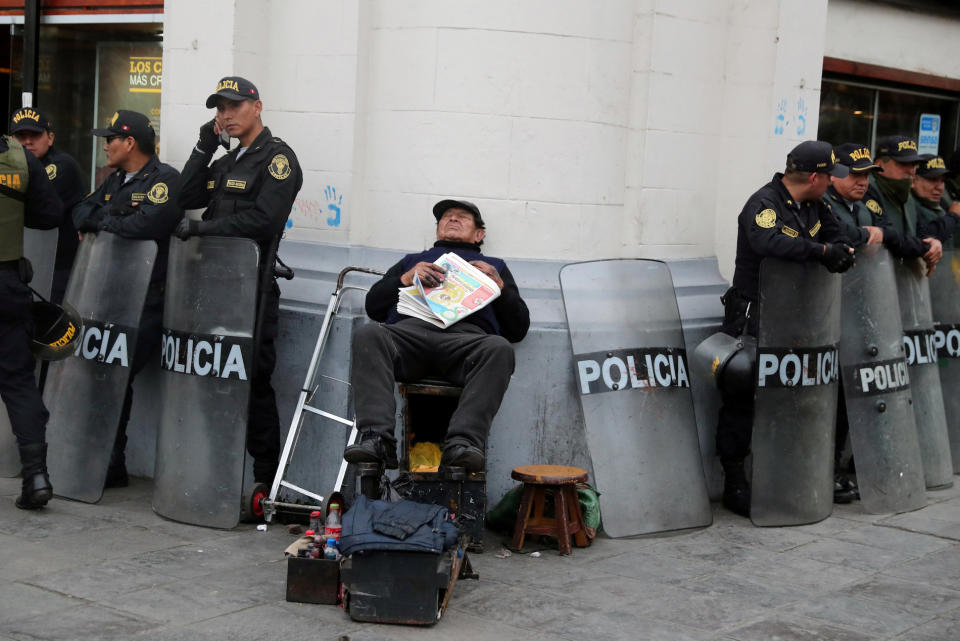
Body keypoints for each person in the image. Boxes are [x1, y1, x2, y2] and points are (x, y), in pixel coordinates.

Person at [717, 141, 856, 517]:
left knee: (793, 400)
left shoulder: (816, 205)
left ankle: (787, 475)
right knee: (742, 397)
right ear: (814, 176)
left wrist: (840, 249)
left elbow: (839, 233)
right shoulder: (764, 204)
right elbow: (768, 241)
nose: (832, 183)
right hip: (754, 319)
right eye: (829, 176)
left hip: (798, 320)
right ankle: (736, 482)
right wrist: (821, 252)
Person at [176, 76, 303, 484]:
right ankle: (218, 478)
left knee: (251, 386)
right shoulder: (227, 161)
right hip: (213, 289)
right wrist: (203, 146)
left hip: (253, 289)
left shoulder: (277, 159)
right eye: (219, 109)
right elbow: (185, 197)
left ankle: (266, 483)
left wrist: (202, 231)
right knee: (214, 383)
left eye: (233, 106)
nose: (225, 115)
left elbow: (264, 221)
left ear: (257, 106)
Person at [343, 200, 529, 472]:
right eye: (446, 217)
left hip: (465, 343)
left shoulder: (494, 266)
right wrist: (404, 279)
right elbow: (374, 307)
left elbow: (518, 329)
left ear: (479, 235)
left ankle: (463, 443)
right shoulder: (413, 261)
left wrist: (499, 287)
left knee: (499, 348)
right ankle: (377, 439)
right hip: (411, 337)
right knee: (369, 335)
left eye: (462, 217)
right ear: (438, 229)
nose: (452, 219)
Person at [72, 109, 183, 487]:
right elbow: (80, 211)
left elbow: (149, 224)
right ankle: (105, 460)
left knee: (114, 372)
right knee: (100, 371)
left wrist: (107, 219)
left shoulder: (163, 179)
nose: (105, 146)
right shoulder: (114, 179)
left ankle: (111, 461)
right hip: (111, 295)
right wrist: (115, 213)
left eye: (110, 139)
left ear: (130, 142)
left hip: (149, 300)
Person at [0, 132, 63, 508]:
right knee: (18, 382)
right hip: (7, 283)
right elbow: (50, 214)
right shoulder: (19, 158)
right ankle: (36, 477)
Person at [10, 107, 84, 304]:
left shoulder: (61, 165)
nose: (27, 141)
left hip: (56, 268)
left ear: (50, 138)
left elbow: (30, 203)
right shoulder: (7, 166)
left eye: (34, 135)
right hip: (21, 264)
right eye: (20, 136)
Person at [866, 135, 942, 274]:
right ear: (879, 164)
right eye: (902, 164)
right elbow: (890, 236)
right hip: (873, 279)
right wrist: (924, 247)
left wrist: (933, 244)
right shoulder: (867, 189)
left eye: (913, 164)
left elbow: (920, 230)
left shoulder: (906, 194)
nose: (910, 170)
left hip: (903, 281)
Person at [912, 154, 960, 249]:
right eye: (933, 179)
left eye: (942, 181)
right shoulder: (908, 207)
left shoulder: (942, 204)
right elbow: (926, 237)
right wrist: (953, 216)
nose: (939, 187)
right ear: (914, 181)